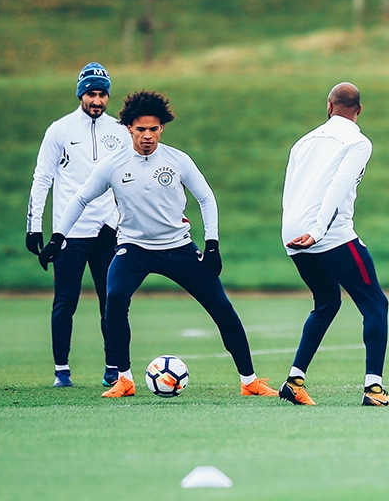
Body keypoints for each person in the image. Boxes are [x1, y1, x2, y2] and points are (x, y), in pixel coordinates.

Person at [38, 90, 279, 399]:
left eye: (154, 129)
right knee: (114, 298)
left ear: (162, 127)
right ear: (128, 128)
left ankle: (250, 381)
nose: (147, 136)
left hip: (178, 247)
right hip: (133, 249)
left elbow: (206, 197)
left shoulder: (177, 160)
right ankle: (124, 379)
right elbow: (81, 198)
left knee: (222, 307)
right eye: (141, 129)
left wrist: (213, 244)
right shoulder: (114, 164)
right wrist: (58, 238)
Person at [278, 83, 389, 407]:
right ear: (359, 110)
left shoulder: (303, 141)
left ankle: (294, 381)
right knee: (375, 303)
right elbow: (338, 186)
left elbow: (290, 188)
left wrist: (294, 230)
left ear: (329, 106)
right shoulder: (357, 142)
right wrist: (318, 230)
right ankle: (374, 391)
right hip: (328, 234)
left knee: (326, 302)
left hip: (292, 233)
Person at [27, 62, 131, 388]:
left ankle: (113, 368)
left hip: (107, 230)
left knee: (112, 300)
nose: (97, 100)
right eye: (91, 94)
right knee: (65, 301)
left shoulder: (119, 130)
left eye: (102, 94)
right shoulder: (60, 130)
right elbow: (42, 178)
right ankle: (62, 371)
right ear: (80, 94)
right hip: (69, 232)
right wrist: (34, 226)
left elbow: (129, 181)